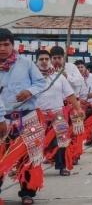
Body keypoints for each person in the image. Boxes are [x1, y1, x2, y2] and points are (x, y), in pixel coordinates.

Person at [0, 28, 47, 205]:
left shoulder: (26, 63)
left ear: (13, 46)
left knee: (29, 157)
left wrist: (29, 91)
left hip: (27, 117)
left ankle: (27, 192)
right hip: (2, 120)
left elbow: (40, 82)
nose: (3, 48)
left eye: (6, 44)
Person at [35, 50, 85, 176]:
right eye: (42, 59)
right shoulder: (32, 77)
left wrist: (78, 109)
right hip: (39, 115)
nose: (45, 62)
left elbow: (70, 94)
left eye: (46, 59)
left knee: (62, 140)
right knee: (35, 142)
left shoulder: (59, 76)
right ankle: (33, 167)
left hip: (58, 113)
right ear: (36, 62)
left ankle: (62, 166)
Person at [50, 46, 84, 164]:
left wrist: (66, 76)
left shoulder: (71, 67)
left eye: (60, 57)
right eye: (54, 58)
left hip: (72, 105)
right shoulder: (48, 69)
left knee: (74, 131)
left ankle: (74, 155)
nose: (57, 60)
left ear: (64, 57)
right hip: (56, 106)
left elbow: (80, 82)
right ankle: (56, 157)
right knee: (56, 133)